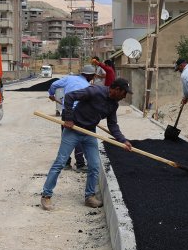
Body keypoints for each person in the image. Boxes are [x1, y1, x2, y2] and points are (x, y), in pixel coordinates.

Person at [41, 78, 134, 211]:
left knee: (94, 165)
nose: (125, 96)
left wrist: (123, 140)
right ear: (117, 90)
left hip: (89, 132)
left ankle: (89, 196)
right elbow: (69, 96)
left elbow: (112, 125)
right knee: (60, 162)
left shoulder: (113, 105)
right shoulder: (95, 91)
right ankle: (46, 195)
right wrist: (68, 118)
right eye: (124, 93)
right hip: (73, 130)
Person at [48, 65, 97, 172]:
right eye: (93, 76)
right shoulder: (88, 86)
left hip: (66, 112)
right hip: (79, 114)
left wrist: (51, 94)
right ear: (90, 76)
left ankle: (65, 163)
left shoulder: (69, 79)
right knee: (78, 136)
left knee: (66, 137)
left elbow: (54, 84)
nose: (93, 78)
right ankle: (80, 164)